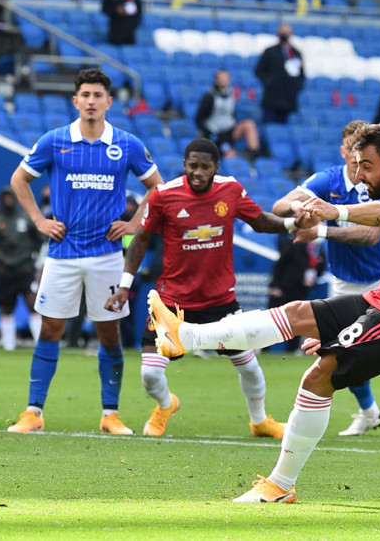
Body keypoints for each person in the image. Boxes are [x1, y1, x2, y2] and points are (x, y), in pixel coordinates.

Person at [148, 122, 380, 503]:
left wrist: (337, 211)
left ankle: (280, 485)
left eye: (366, 165)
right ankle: (185, 338)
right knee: (299, 313)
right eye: (355, 164)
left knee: (319, 376)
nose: (359, 173)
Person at [6, 68, 161, 435]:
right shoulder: (55, 141)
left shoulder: (127, 144)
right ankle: (33, 412)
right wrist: (40, 221)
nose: (91, 101)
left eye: (98, 95)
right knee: (51, 329)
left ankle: (111, 414)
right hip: (63, 253)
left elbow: (157, 187)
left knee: (109, 334)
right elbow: (19, 179)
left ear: (109, 101)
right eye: (85, 95)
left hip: (107, 256)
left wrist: (135, 223)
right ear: (75, 101)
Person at [106, 138, 293, 439]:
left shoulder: (230, 190)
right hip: (172, 303)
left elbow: (260, 222)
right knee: (150, 375)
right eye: (193, 165)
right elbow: (140, 239)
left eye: (205, 166)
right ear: (184, 165)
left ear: (216, 168)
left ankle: (260, 421)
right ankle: (166, 405)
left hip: (221, 303)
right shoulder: (165, 196)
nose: (198, 171)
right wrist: (124, 285)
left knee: (249, 367)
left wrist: (292, 224)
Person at [272, 120, 380, 442]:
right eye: (353, 153)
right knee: (346, 351)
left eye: (365, 157)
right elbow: (279, 206)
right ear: (344, 150)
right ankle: (369, 412)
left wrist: (321, 228)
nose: (358, 163)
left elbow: (371, 236)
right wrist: (301, 207)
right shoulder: (329, 179)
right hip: (343, 281)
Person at [0, 186, 44, 351]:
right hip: (5, 273)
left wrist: (35, 260)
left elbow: (41, 239)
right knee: (6, 309)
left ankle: (41, 344)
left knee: (33, 305)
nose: (8, 199)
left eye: (11, 196)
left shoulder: (25, 218)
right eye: (5, 196)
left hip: (25, 271)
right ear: (1, 199)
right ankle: (8, 346)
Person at [195, 69, 261, 159]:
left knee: (249, 124)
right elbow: (199, 119)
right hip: (216, 133)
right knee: (228, 154)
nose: (224, 81)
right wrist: (210, 135)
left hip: (230, 130)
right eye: (221, 78)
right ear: (216, 79)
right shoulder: (209, 97)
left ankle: (253, 154)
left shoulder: (231, 94)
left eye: (226, 78)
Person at [254, 23, 304, 124]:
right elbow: (258, 71)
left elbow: (301, 75)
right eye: (282, 31)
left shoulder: (296, 53)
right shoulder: (270, 51)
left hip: (288, 101)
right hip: (271, 100)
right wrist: (270, 82)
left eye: (287, 31)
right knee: (269, 127)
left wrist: (295, 87)